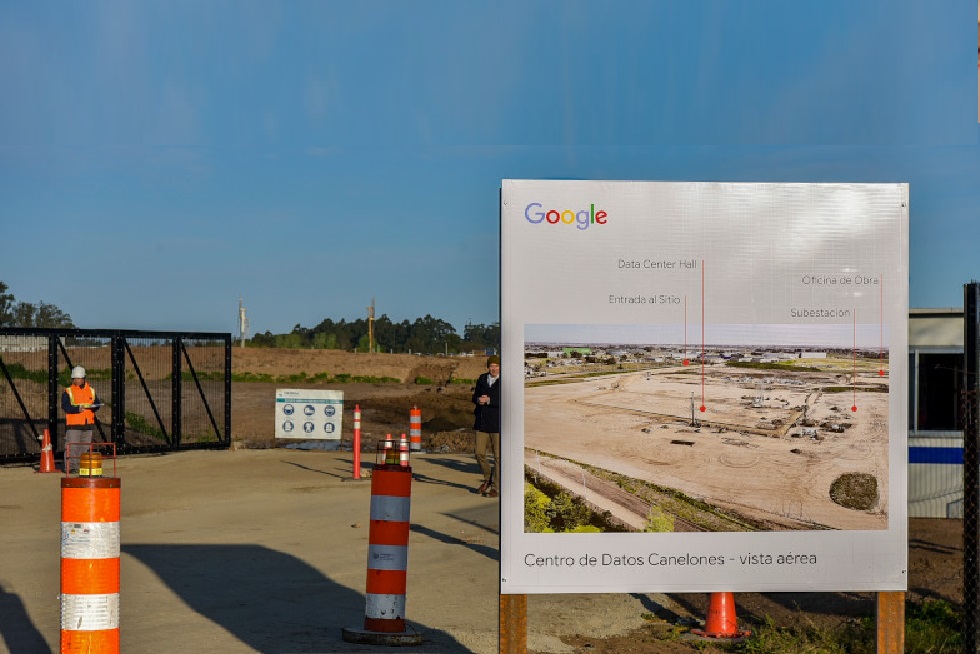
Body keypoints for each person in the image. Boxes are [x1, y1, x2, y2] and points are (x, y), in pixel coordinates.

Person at [62, 366, 101, 473]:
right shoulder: (68, 391)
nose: (75, 380)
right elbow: (66, 406)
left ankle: (80, 467)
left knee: (84, 448)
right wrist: (77, 409)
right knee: (72, 447)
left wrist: (95, 406)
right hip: (74, 425)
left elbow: (97, 403)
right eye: (74, 378)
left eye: (78, 378)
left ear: (83, 378)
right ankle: (70, 468)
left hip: (88, 425)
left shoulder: (91, 391)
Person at [472, 355, 500, 498]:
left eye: (496, 366)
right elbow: (474, 397)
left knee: (498, 457)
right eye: (491, 366)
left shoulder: (504, 381)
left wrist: (489, 400)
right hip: (482, 422)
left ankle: (496, 487)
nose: (493, 368)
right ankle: (488, 478)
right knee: (479, 452)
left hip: (497, 424)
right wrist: (478, 400)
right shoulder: (482, 379)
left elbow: (507, 398)